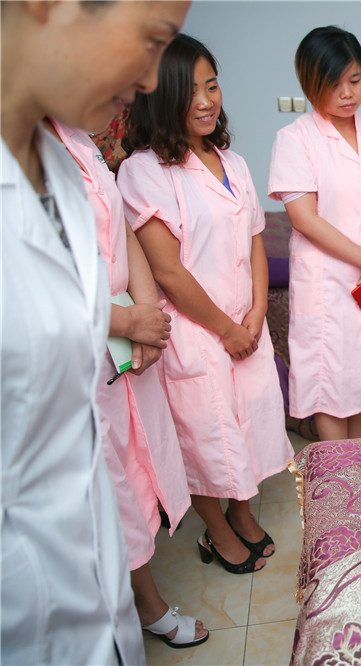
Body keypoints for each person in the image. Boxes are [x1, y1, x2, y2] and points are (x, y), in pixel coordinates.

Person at [1, 1, 190, 662]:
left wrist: (141, 315)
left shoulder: (61, 159)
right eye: (153, 39)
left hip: (89, 602)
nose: (151, 79)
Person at [118, 34, 293, 575]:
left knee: (249, 426)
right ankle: (216, 531)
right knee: (207, 438)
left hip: (245, 321)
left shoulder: (231, 161)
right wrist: (227, 329)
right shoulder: (144, 171)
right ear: (159, 98)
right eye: (189, 90)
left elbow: (255, 239)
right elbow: (168, 270)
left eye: (212, 85)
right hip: (197, 331)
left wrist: (256, 314)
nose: (205, 100)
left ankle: (242, 514)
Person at [49, 117, 208, 648]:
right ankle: (143, 606)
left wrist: (145, 313)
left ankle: (139, 596)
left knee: (134, 466)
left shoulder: (76, 138)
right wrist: (123, 321)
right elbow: (34, 281)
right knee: (105, 485)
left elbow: (120, 229)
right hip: (75, 352)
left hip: (120, 337)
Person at [268, 26, 361, 441]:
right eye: (334, 84)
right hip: (329, 282)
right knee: (332, 385)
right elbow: (305, 219)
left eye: (355, 80)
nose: (347, 93)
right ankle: (339, 473)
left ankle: (358, 470)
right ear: (309, 83)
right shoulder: (295, 139)